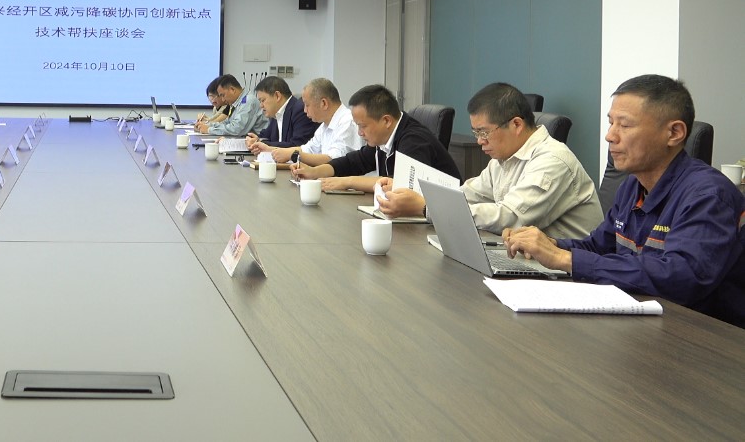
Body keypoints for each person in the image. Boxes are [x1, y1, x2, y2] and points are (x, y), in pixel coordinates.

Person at [504, 75, 745, 327]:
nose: (610, 136)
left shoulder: (708, 195)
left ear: (674, 133)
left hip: (708, 335)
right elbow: (599, 246)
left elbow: (681, 278)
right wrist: (547, 244)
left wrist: (565, 259)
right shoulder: (632, 185)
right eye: (611, 123)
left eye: (625, 125)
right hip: (650, 323)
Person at [375, 83, 601, 238]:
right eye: (476, 133)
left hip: (568, 274)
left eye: (484, 132)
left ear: (516, 124)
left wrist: (427, 207)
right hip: (525, 258)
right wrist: (410, 191)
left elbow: (510, 218)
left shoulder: (552, 161)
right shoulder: (504, 158)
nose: (480, 141)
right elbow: (468, 194)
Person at [291, 84, 460, 192]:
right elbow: (354, 161)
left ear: (386, 120)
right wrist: (315, 172)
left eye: (362, 126)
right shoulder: (383, 138)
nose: (359, 133)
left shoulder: (414, 140)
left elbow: (399, 184)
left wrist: (346, 182)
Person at [249, 77, 361, 165]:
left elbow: (334, 160)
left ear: (323, 103)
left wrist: (292, 155)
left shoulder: (347, 122)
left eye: (307, 105)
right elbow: (308, 149)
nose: (304, 110)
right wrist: (270, 149)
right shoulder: (325, 125)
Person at [243, 76, 314, 150]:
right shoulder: (276, 113)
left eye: (263, 100)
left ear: (277, 96)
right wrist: (254, 140)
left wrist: (261, 143)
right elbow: (265, 136)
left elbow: (297, 145)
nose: (261, 106)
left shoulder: (300, 110)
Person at [193, 74, 268, 137]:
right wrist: (208, 125)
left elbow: (237, 129)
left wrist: (209, 130)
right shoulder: (237, 102)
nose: (223, 100)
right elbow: (227, 123)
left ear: (232, 90)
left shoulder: (248, 101)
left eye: (223, 95)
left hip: (261, 141)